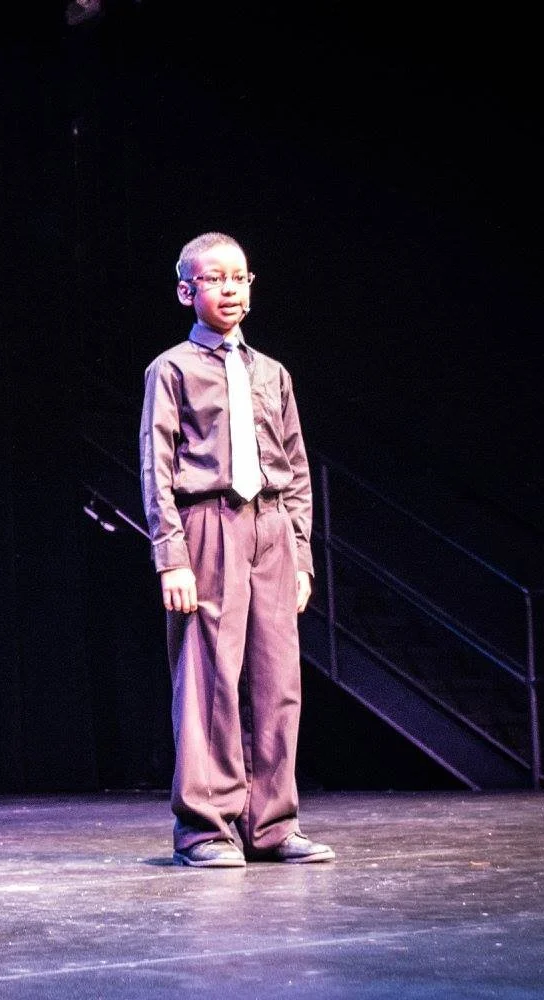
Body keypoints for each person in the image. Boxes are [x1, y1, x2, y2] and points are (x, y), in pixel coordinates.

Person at [138, 231, 334, 868]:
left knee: (278, 680)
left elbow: (296, 469)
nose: (229, 289)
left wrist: (301, 554)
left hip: (270, 527)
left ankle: (272, 824)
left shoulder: (273, 373)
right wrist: (171, 556)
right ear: (186, 291)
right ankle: (205, 828)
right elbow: (156, 467)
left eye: (239, 278)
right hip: (207, 525)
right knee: (209, 680)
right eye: (214, 278)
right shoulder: (172, 370)